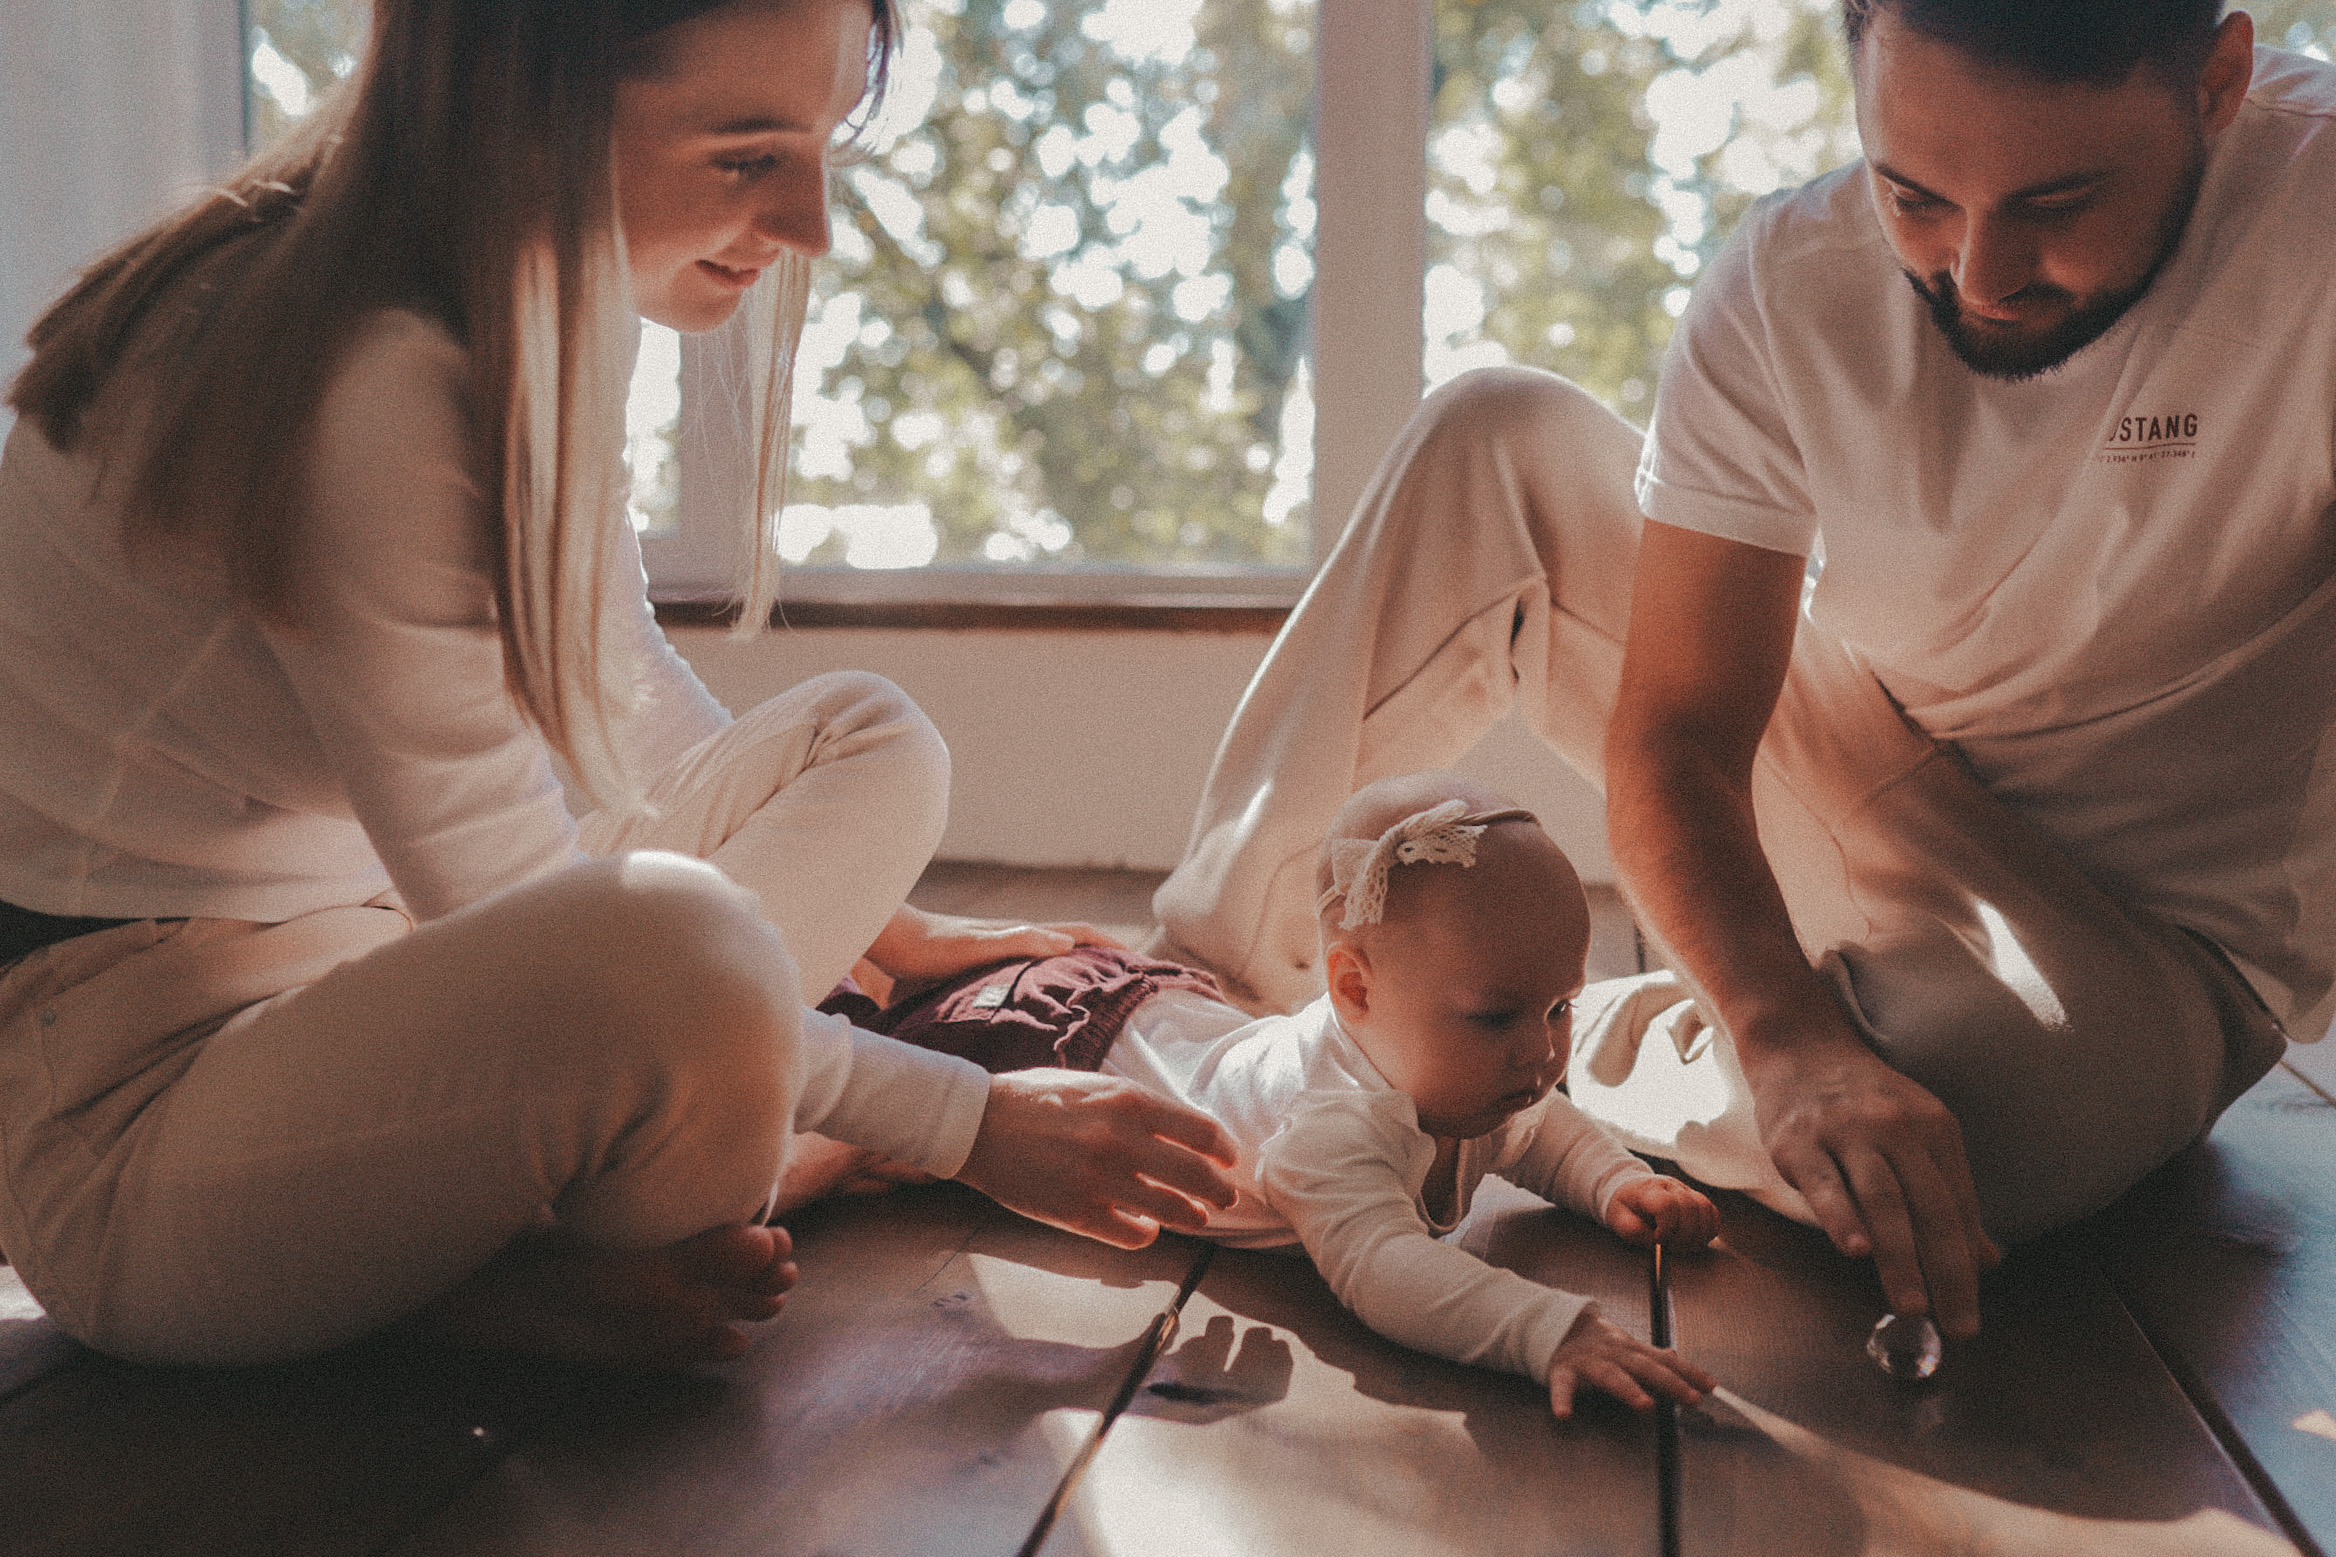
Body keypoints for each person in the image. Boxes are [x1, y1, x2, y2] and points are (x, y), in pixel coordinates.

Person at [0, 0, 1241, 1371]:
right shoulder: (376, 377)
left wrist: (894, 925)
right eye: (747, 155)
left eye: (827, 144)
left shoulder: (533, 284)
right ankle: (609, 1221)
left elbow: (614, 677)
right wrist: (971, 1123)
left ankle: (700, 1155)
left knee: (876, 741)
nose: (813, 225)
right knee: (680, 955)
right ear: (525, 107)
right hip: (134, 1111)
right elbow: (525, 897)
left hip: (371, 958)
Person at [1150, 0, 2325, 1345]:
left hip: (2155, 955)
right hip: (1886, 788)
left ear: (2221, 80)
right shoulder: (1792, 281)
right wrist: (1792, 1041)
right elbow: (1680, 736)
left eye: (2059, 201)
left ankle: (1530, 1043)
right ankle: (1186, 1009)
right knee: (1496, 437)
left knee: (1961, 1151)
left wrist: (1803, 1053)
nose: (1979, 272)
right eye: (1915, 194)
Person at [841, 772, 1719, 1418]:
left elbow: (1542, 1129)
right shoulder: (1332, 1127)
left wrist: (1612, 1180)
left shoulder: (1488, 1073)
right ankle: (825, 949)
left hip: (1157, 1008)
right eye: (1498, 1018)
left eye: (1561, 1006)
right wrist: (1547, 1328)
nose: (1543, 1049)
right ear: (1354, 989)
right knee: (860, 1053)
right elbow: (1385, 1268)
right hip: (1053, 1047)